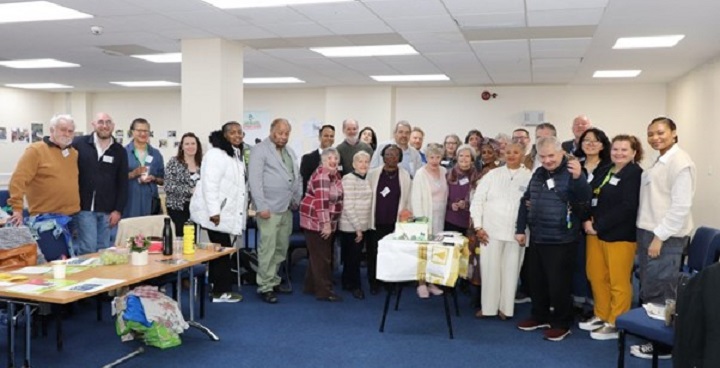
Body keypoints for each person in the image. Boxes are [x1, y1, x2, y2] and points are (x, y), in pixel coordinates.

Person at [515, 136, 591, 342]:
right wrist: (520, 228)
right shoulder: (539, 173)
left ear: (562, 153)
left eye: (551, 155)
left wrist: (579, 180)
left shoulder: (574, 172)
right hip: (538, 236)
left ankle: (562, 323)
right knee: (536, 281)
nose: (547, 160)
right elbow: (526, 200)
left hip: (561, 239)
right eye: (543, 156)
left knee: (559, 285)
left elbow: (584, 203)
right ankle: (540, 316)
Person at [631, 117, 696, 360]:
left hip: (665, 238)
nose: (655, 137)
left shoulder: (680, 162)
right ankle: (653, 335)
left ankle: (663, 345)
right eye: (651, 134)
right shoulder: (661, 160)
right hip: (650, 233)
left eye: (660, 132)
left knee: (662, 290)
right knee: (650, 288)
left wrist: (659, 237)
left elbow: (680, 207)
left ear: (674, 132)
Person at [581, 135, 643, 340]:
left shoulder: (634, 173)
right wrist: (588, 221)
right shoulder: (608, 169)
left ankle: (617, 321)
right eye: (616, 149)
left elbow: (627, 207)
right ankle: (602, 314)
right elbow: (594, 195)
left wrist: (598, 225)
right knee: (596, 275)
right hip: (596, 233)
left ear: (634, 152)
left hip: (619, 235)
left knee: (618, 281)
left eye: (624, 150)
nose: (619, 153)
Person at [471, 142, 532, 320]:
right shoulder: (492, 175)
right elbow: (477, 201)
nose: (511, 155)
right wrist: (478, 227)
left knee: (512, 271)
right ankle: (488, 307)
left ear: (523, 155)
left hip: (517, 234)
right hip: (490, 231)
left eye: (516, 152)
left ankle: (506, 308)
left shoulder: (530, 177)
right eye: (508, 152)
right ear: (503, 154)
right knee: (490, 270)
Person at [189, 122, 246, 303]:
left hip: (223, 211)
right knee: (222, 250)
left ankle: (215, 285)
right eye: (232, 132)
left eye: (240, 132)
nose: (237, 135)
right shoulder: (216, 154)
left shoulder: (234, 154)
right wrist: (214, 211)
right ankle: (221, 292)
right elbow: (210, 185)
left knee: (219, 249)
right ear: (224, 134)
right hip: (214, 212)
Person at [248, 118, 303, 304]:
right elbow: (254, 181)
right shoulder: (260, 150)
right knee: (268, 249)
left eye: (287, 133)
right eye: (280, 133)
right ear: (271, 131)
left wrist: (297, 198)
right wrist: (261, 207)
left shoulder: (290, 152)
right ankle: (265, 286)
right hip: (269, 210)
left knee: (281, 248)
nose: (283, 137)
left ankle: (274, 280)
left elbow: (297, 176)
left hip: (287, 207)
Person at [8, 114, 80, 226]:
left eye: (70, 131)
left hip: (72, 216)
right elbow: (18, 180)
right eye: (63, 130)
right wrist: (17, 209)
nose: (67, 134)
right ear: (52, 130)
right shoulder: (35, 151)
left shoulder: (73, 153)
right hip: (45, 218)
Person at [73, 112, 128, 255]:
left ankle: (101, 277)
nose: (105, 126)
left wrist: (118, 210)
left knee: (104, 250)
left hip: (107, 211)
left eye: (108, 122)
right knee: (88, 248)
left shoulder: (119, 151)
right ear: (94, 124)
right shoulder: (79, 144)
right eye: (101, 122)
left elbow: (123, 183)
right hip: (84, 208)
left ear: (113, 126)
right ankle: (84, 276)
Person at [573, 128, 613, 316]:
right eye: (586, 140)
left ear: (603, 145)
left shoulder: (610, 167)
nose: (590, 144)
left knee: (596, 267)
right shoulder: (573, 165)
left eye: (595, 141)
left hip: (597, 224)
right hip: (574, 222)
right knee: (578, 263)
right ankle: (578, 301)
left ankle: (595, 304)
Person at [367, 144, 413, 295]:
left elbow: (408, 200)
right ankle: (374, 282)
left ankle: (389, 282)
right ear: (382, 156)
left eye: (394, 155)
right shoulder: (373, 174)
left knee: (392, 254)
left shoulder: (405, 175)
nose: (391, 157)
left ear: (399, 158)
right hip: (375, 221)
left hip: (395, 223)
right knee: (374, 253)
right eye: (387, 154)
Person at [300, 148, 344, 302]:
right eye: (329, 158)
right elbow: (321, 203)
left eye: (335, 158)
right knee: (323, 258)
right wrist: (325, 225)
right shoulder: (322, 176)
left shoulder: (335, 174)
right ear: (323, 161)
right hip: (317, 222)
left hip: (324, 221)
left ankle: (310, 286)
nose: (333, 161)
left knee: (317, 256)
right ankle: (324, 291)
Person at [411, 143, 448, 298]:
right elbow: (416, 199)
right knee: (423, 251)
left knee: (437, 250)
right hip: (426, 215)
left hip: (441, 216)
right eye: (431, 157)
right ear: (426, 157)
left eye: (438, 157)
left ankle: (432, 282)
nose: (434, 160)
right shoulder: (421, 173)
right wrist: (421, 221)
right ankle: (421, 284)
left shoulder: (444, 171)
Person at [338, 151, 372, 300]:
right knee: (353, 258)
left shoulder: (367, 178)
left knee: (353, 258)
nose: (363, 165)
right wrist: (358, 228)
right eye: (360, 162)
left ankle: (347, 282)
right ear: (353, 164)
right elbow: (348, 206)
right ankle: (356, 286)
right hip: (350, 226)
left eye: (366, 162)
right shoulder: (348, 179)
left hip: (362, 225)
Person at [123, 118, 164, 218]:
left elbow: (163, 180)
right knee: (131, 232)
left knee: (150, 231)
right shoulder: (123, 152)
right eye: (139, 131)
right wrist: (133, 174)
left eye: (146, 131)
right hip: (130, 203)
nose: (143, 134)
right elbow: (115, 178)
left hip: (150, 202)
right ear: (132, 132)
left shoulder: (156, 154)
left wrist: (154, 178)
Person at [165, 133, 202, 238]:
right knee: (182, 238)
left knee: (194, 239)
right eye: (187, 144)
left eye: (193, 143)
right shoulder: (174, 162)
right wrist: (189, 190)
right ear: (182, 146)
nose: (190, 146)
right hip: (178, 207)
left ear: (197, 146)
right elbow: (168, 185)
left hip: (196, 207)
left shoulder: (203, 164)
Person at [300, 124, 335, 195]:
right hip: (314, 200)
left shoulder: (337, 159)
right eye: (326, 136)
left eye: (331, 136)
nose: (329, 138)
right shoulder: (308, 159)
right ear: (319, 137)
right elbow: (304, 184)